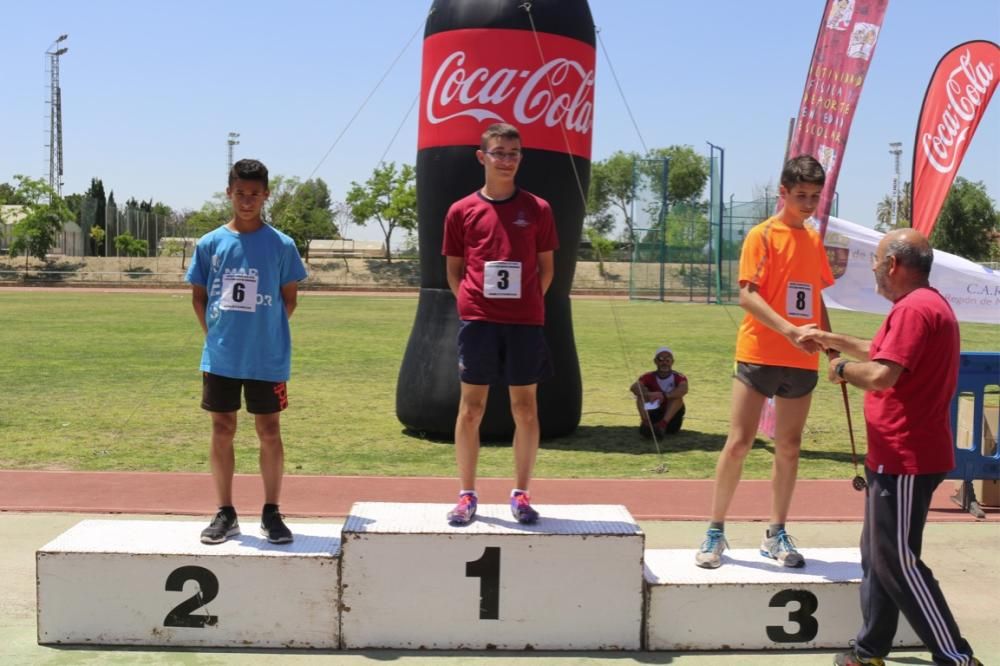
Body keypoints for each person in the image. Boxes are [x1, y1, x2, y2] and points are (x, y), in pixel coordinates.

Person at [801, 229, 980, 666]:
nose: (876, 270)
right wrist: (835, 340)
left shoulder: (915, 310)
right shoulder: (920, 306)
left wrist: (841, 368)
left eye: (877, 262)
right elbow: (883, 353)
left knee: (897, 561)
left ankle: (956, 656)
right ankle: (869, 650)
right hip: (901, 455)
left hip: (906, 457)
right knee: (879, 556)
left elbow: (882, 375)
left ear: (895, 265)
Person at [695, 154, 835, 569]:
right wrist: (789, 330)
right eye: (801, 195)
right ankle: (715, 531)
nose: (808, 203)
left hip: (802, 360)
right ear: (783, 193)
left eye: (814, 196)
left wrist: (830, 347)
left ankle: (776, 533)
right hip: (758, 353)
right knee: (739, 442)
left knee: (789, 447)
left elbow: (816, 295)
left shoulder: (812, 239)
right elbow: (747, 295)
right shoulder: (763, 235)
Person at [186, 158, 308, 545]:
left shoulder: (282, 245)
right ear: (229, 193)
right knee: (222, 429)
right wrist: (219, 335)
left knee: (269, 431)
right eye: (240, 193)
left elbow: (290, 299)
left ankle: (272, 512)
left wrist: (263, 331)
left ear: (266, 195)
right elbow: (199, 298)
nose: (247, 201)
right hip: (221, 357)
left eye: (255, 194)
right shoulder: (210, 244)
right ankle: (225, 512)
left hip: (267, 357)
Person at [442, 122, 558, 526]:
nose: (506, 160)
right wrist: (472, 304)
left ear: (521, 158)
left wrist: (525, 303)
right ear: (482, 157)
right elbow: (454, 272)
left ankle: (522, 493)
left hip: (525, 322)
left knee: (525, 409)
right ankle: (466, 494)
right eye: (499, 152)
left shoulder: (538, 209)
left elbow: (546, 270)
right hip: (478, 322)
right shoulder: (461, 210)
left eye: (513, 153)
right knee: (471, 409)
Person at [630, 346, 688, 438]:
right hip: (654, 411)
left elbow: (683, 389)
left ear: (672, 362)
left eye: (667, 360)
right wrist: (649, 394)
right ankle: (646, 423)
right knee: (640, 395)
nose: (664, 363)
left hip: (671, 415)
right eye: (660, 359)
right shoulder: (647, 376)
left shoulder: (679, 377)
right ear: (655, 362)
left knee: (678, 398)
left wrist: (664, 396)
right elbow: (634, 387)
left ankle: (662, 425)